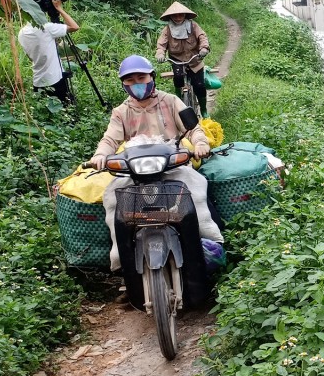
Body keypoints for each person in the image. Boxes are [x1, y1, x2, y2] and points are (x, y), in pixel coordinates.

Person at [88, 55, 223, 271]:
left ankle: (212, 244)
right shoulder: (121, 112)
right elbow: (110, 139)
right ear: (123, 84)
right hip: (136, 170)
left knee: (197, 190)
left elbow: (193, 128)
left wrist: (199, 143)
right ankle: (121, 263)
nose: (137, 84)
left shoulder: (170, 101)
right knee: (113, 199)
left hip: (171, 165)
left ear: (152, 77)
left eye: (141, 77)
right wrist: (100, 155)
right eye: (130, 80)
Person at [18, 0, 79, 105]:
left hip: (38, 82)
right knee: (65, 113)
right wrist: (59, 8)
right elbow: (74, 27)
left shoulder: (21, 33)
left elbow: (31, 57)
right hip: (55, 80)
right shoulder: (47, 28)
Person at [155, 1, 210, 118]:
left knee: (199, 85)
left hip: (195, 60)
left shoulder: (193, 26)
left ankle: (204, 110)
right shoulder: (167, 30)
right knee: (178, 79)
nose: (178, 17)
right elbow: (161, 43)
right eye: (175, 15)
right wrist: (160, 53)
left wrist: (204, 48)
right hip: (177, 60)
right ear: (170, 17)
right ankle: (178, 101)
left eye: (180, 15)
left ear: (185, 15)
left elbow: (202, 37)